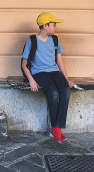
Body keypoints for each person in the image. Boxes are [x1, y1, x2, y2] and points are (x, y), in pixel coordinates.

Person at [21, 12, 75, 144]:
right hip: (39, 73)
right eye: (53, 25)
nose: (55, 27)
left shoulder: (55, 40)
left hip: (54, 71)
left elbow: (60, 62)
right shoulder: (32, 41)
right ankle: (56, 131)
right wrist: (31, 81)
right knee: (53, 92)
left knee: (65, 91)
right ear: (45, 25)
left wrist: (66, 80)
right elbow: (24, 64)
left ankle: (57, 127)